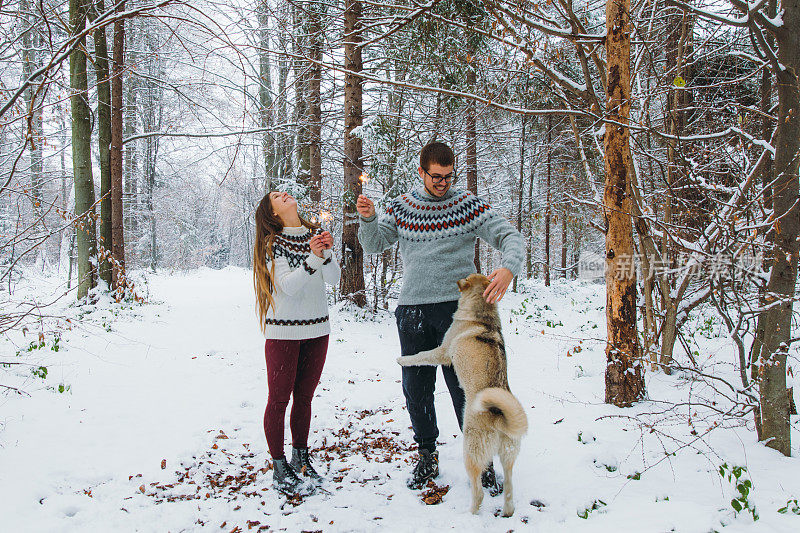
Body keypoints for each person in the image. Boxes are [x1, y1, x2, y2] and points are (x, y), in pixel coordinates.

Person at [356, 142, 524, 491]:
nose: (442, 182)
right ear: (421, 172)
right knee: (416, 388)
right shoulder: (403, 206)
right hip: (413, 309)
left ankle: (484, 459)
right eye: (436, 176)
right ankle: (427, 453)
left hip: (459, 312)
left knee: (467, 388)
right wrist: (368, 218)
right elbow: (373, 244)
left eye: (448, 176)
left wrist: (509, 268)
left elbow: (510, 236)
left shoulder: (467, 205)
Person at [253, 191, 340, 496]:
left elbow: (334, 278)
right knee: (279, 401)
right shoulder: (271, 244)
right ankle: (279, 467)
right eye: (277, 196)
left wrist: (326, 252)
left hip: (318, 328)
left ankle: (301, 458)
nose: (284, 194)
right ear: (273, 213)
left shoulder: (314, 234)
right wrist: (314, 257)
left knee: (304, 399)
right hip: (283, 333)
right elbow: (287, 287)